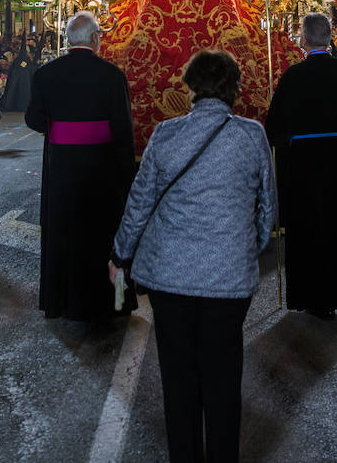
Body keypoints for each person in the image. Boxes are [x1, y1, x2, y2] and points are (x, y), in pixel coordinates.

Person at [109, 49, 275, 463]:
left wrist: (120, 254)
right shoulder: (252, 135)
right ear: (233, 88)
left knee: (179, 379)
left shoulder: (166, 135)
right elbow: (268, 210)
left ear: (191, 88)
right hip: (229, 278)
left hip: (169, 278)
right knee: (223, 378)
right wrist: (243, 247)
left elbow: (139, 203)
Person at [26, 11, 136, 322]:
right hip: (102, 169)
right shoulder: (113, 75)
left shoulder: (46, 74)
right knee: (103, 234)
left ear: (67, 40)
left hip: (62, 167)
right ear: (96, 39)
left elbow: (33, 119)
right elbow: (124, 131)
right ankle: (111, 302)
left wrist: (62, 128)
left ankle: (61, 302)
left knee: (64, 233)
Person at [265, 12, 337, 317]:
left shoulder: (293, 77)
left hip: (305, 171)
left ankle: (319, 300)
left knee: (312, 233)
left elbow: (275, 129)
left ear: (304, 38)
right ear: (329, 36)